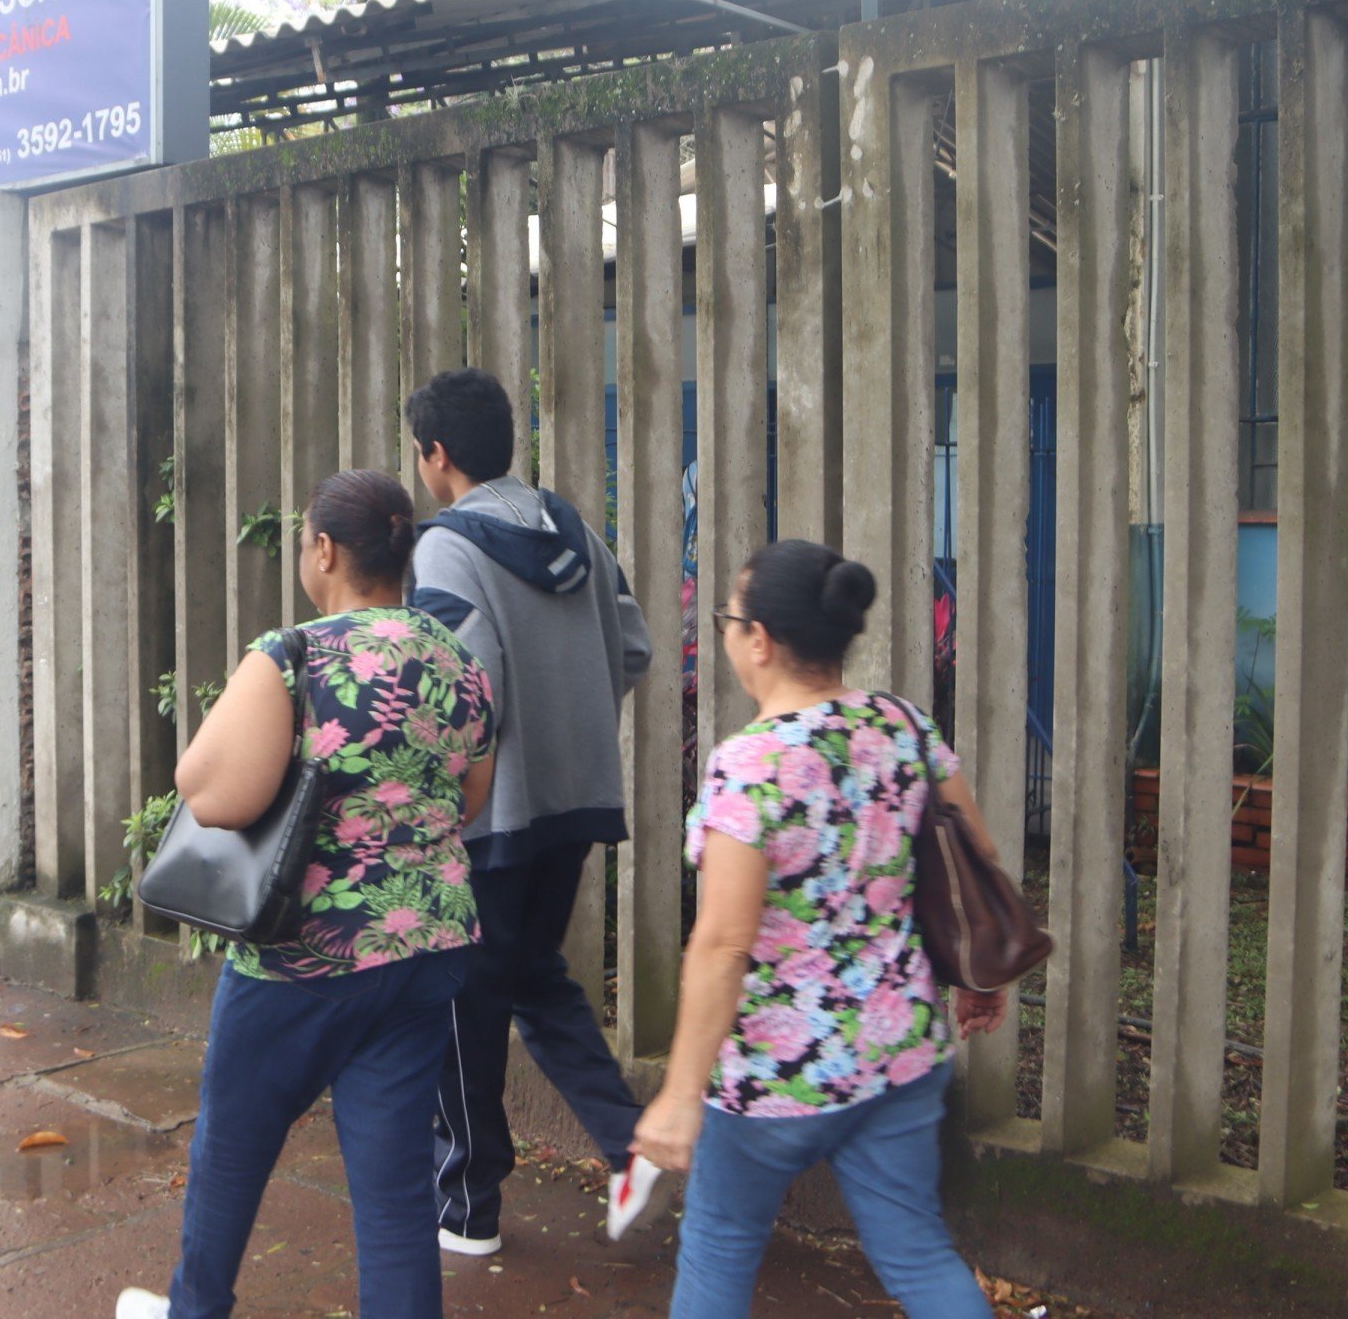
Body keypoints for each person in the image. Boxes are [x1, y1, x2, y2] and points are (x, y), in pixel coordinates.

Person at [117, 470, 497, 1319]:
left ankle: (195, 1308)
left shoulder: (296, 655)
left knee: (233, 1147)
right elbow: (469, 798)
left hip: (303, 956)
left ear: (323, 549)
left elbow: (212, 794)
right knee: (396, 1188)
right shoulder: (459, 662)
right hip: (422, 952)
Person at [631, 538, 1005, 1319]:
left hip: (775, 1077)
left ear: (759, 640)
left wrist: (678, 1094)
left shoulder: (753, 764)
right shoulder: (902, 725)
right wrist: (980, 977)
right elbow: (979, 854)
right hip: (900, 1054)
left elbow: (725, 943)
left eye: (729, 620)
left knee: (721, 1244)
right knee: (917, 1252)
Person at [403, 367, 662, 1253]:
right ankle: (631, 1147)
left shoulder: (445, 548)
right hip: (578, 799)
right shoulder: (575, 527)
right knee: (530, 977)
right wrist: (575, 722)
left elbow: (460, 691)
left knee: (461, 999)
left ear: (436, 455)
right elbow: (632, 645)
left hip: (490, 817)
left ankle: (466, 1208)